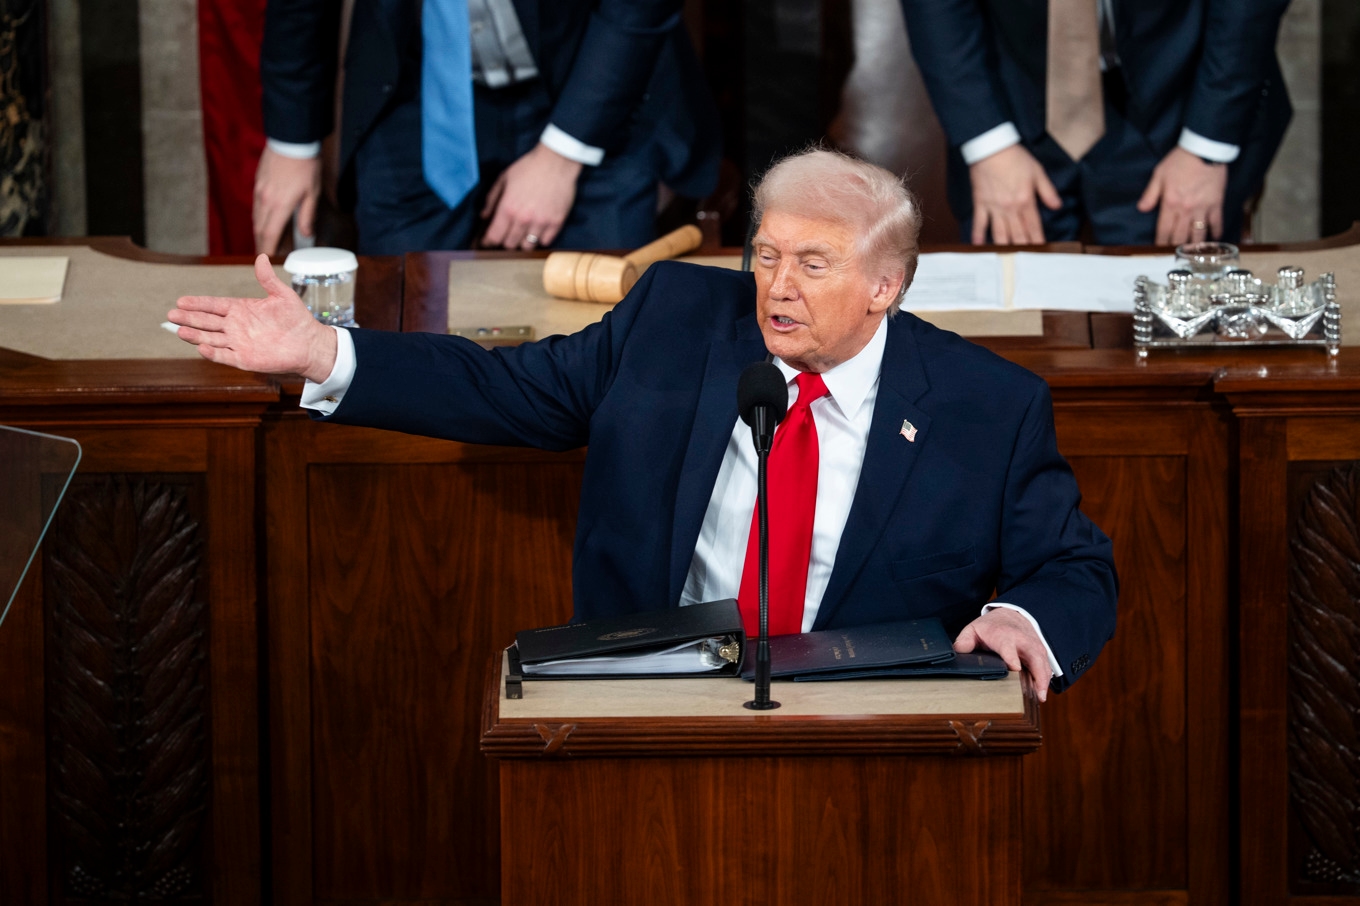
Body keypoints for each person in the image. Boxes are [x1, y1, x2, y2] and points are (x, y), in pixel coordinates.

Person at [170, 149, 1117, 700]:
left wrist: (1018, 617)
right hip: (659, 703)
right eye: (767, 255)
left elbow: (1074, 569)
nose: (778, 289)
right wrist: (322, 353)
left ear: (887, 285)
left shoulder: (985, 405)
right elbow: (509, 391)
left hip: (867, 725)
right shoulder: (672, 319)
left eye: (815, 265)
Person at [255, 0, 721, 255]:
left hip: (594, 83)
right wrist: (292, 145)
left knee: (603, 328)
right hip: (418, 86)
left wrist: (562, 156)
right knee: (397, 328)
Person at [899, 0, 1292, 246]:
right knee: (1015, 336)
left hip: (1184, 101)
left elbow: (1246, 12)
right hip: (1012, 102)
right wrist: (989, 144)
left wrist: (1205, 147)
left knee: (1173, 324)